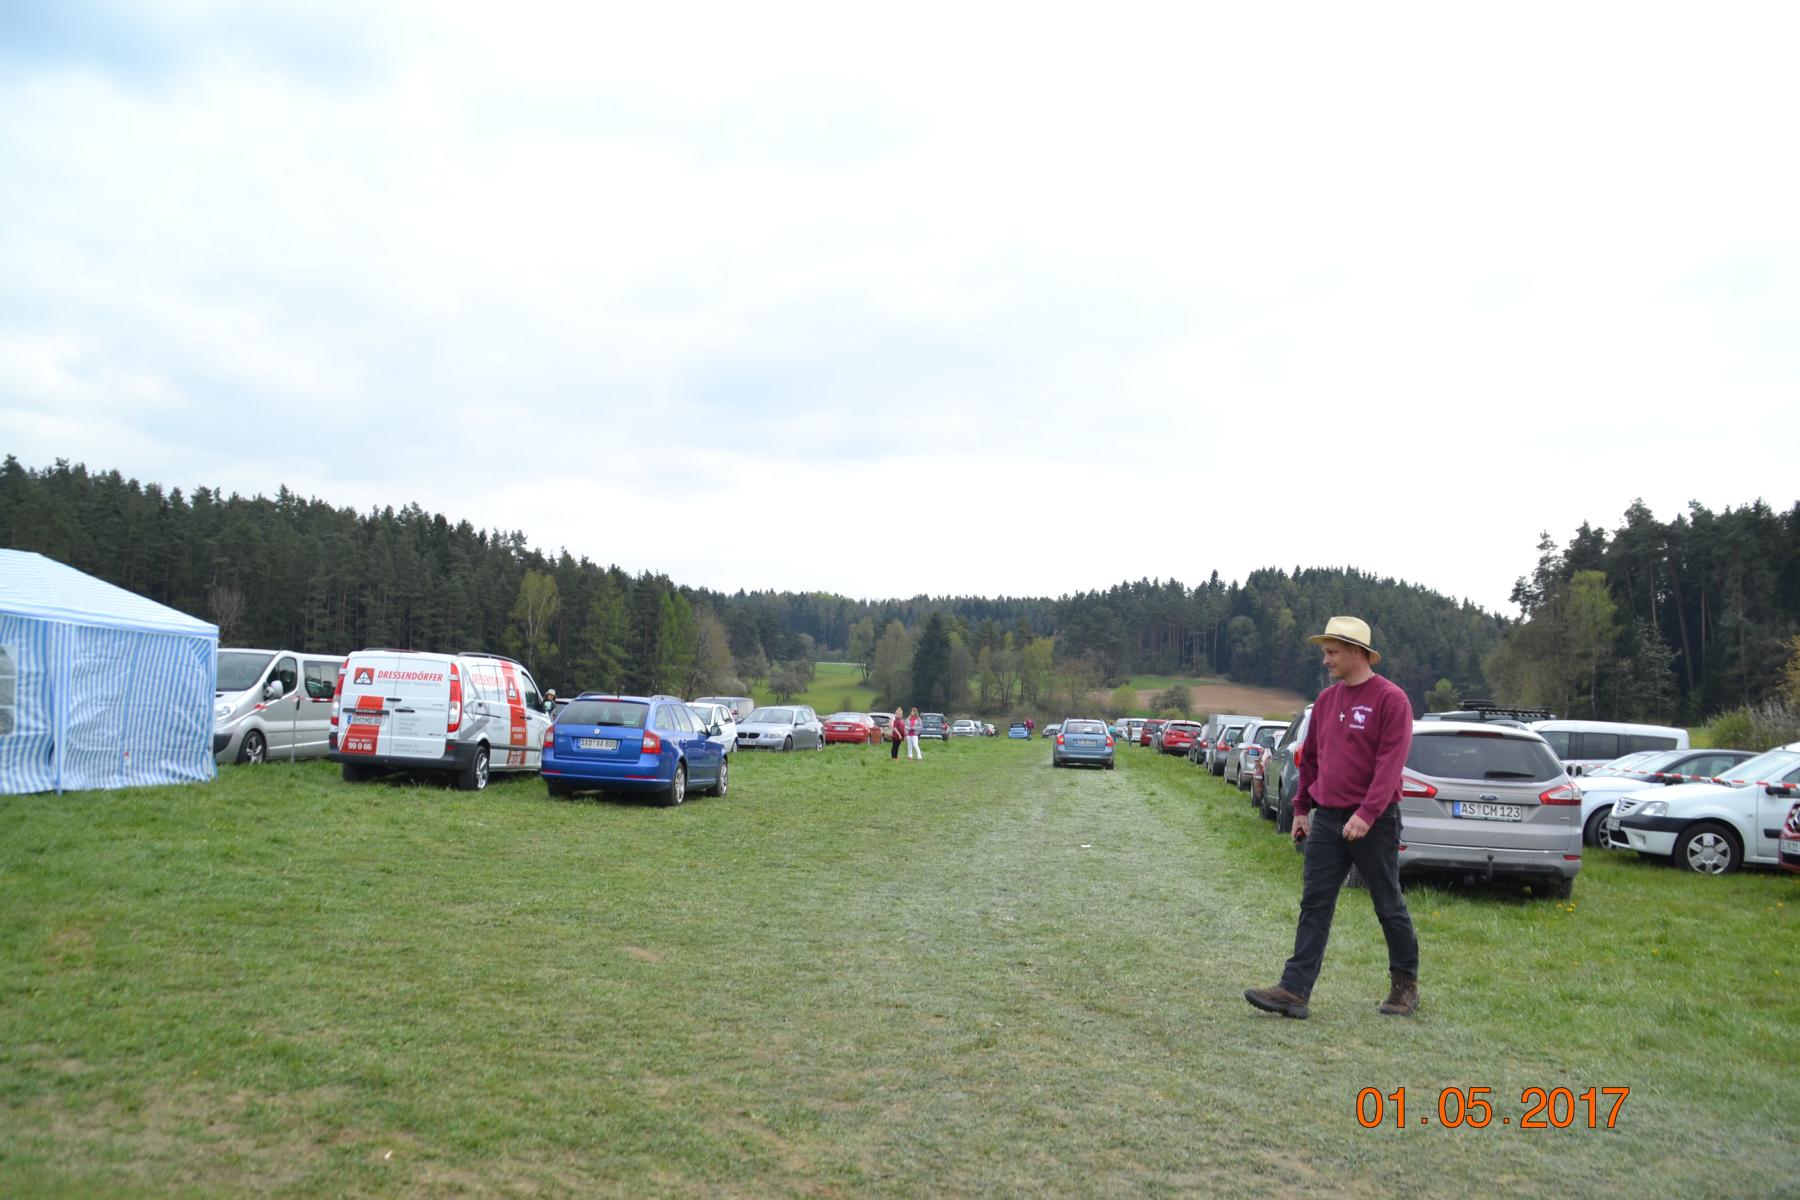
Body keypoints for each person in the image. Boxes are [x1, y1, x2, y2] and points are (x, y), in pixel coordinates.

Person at [1244, 616, 1419, 1020]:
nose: (1325, 660)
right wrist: (1301, 809)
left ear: (1357, 652)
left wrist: (1367, 814)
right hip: (1326, 819)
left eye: (1332, 652)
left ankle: (1405, 986)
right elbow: (1311, 760)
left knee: (1387, 903)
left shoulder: (1391, 700)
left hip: (1374, 823)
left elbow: (1390, 765)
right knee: (1315, 902)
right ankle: (1294, 991)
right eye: (1325, 652)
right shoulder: (1325, 701)